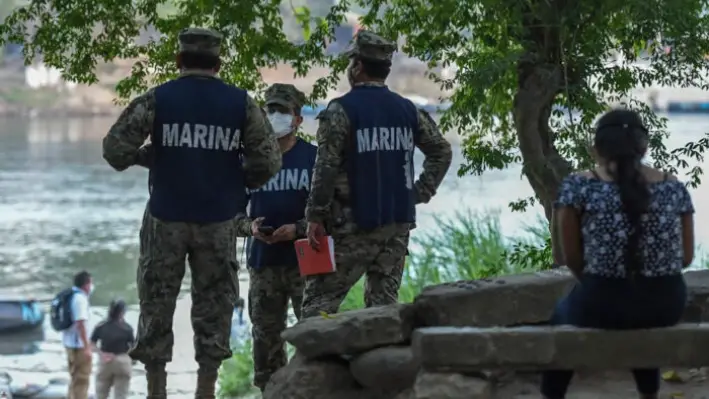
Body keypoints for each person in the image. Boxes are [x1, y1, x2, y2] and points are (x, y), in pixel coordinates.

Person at [101, 27, 282, 398]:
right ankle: (206, 389)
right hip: (218, 219)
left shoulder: (158, 99)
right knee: (214, 304)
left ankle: (156, 390)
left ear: (179, 60)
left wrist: (145, 156)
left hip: (166, 216)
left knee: (156, 301)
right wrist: (234, 176)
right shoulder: (241, 104)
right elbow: (268, 160)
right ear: (218, 63)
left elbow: (114, 150)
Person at [541, 109, 695, 399]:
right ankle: (648, 392)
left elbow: (571, 258)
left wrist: (599, 282)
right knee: (639, 303)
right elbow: (685, 259)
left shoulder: (578, 186)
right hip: (666, 304)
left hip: (603, 302)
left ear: (596, 148)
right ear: (644, 147)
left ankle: (553, 395)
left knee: (562, 316)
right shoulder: (673, 187)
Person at [302, 30, 453, 318]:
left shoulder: (341, 111)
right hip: (397, 224)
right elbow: (441, 151)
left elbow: (325, 168)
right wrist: (420, 191)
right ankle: (384, 363)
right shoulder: (407, 110)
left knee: (318, 307)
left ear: (357, 66)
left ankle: (315, 364)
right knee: (383, 309)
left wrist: (314, 217)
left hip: (351, 224)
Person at [234, 83, 314, 391]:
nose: (275, 116)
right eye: (270, 110)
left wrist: (299, 228)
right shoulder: (249, 161)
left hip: (306, 264)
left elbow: (333, 213)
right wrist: (250, 228)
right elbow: (232, 214)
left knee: (312, 336)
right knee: (265, 343)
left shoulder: (314, 158)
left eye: (283, 111)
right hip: (263, 265)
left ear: (297, 119)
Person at [91, 299, 135, 399]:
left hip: (105, 361)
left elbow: (91, 344)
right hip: (122, 362)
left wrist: (101, 354)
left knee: (101, 394)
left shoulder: (101, 326)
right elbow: (134, 348)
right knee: (121, 395)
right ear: (122, 312)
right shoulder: (127, 328)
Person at [63, 271, 94, 399]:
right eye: (91, 283)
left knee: (74, 378)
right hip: (79, 346)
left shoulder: (70, 295)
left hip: (69, 343)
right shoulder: (80, 299)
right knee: (82, 379)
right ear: (86, 285)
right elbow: (80, 323)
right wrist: (87, 347)